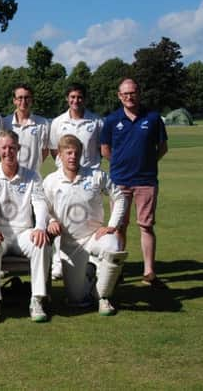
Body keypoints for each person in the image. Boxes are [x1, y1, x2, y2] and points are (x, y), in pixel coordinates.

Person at [43, 135, 128, 315]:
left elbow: (119, 197)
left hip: (95, 236)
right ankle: (90, 274)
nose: (73, 156)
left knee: (113, 244)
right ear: (60, 155)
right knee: (76, 300)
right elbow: (43, 208)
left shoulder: (96, 175)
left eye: (76, 153)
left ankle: (103, 297)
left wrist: (112, 226)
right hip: (70, 245)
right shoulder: (51, 180)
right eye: (68, 153)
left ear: (81, 154)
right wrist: (51, 221)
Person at [0, 130, 52, 323]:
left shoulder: (32, 176)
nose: (8, 152)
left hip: (24, 233)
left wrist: (40, 228)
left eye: (12, 147)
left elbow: (41, 204)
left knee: (41, 243)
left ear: (18, 149)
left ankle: (37, 300)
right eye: (4, 147)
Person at [101, 78, 168, 288]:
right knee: (119, 226)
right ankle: (117, 270)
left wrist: (146, 163)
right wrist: (122, 163)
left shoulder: (153, 118)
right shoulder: (112, 120)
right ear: (119, 96)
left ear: (139, 93)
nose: (129, 97)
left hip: (146, 181)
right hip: (119, 182)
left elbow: (163, 147)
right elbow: (105, 149)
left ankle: (149, 271)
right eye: (125, 94)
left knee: (146, 226)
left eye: (133, 92)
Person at [48, 83, 105, 280]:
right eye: (72, 97)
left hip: (89, 177)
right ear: (67, 98)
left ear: (84, 99)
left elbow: (101, 149)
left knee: (89, 220)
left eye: (79, 97)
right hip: (64, 178)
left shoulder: (97, 121)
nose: (75, 101)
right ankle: (58, 263)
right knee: (60, 220)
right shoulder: (57, 122)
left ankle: (93, 260)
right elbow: (55, 151)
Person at [3, 83, 50, 175]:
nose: (23, 101)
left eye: (27, 97)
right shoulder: (5, 123)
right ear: (14, 100)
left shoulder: (43, 124)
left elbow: (44, 151)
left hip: (32, 178)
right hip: (9, 177)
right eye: (20, 98)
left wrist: (34, 166)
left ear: (31, 100)